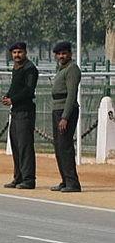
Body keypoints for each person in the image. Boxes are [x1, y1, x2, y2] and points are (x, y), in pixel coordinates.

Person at [1, 41, 39, 189]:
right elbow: (15, 87)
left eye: (20, 52)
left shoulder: (30, 69)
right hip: (16, 111)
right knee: (16, 146)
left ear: (25, 53)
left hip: (25, 111)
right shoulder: (16, 68)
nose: (17, 55)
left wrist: (13, 99)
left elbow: (29, 90)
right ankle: (18, 177)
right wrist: (7, 96)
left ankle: (29, 179)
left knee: (25, 146)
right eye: (15, 52)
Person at [50, 41, 82, 192]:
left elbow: (71, 95)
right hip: (57, 109)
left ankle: (72, 182)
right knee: (59, 147)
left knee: (65, 146)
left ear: (70, 54)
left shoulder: (72, 69)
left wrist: (65, 117)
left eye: (64, 53)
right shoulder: (61, 69)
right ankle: (65, 180)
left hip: (66, 110)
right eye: (59, 54)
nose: (61, 56)